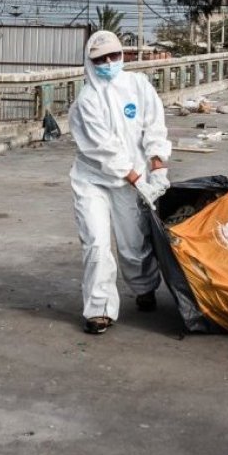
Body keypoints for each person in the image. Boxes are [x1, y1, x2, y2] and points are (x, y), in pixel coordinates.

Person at [68, 30, 171, 335]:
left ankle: (144, 287)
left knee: (134, 242)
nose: (109, 62)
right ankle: (99, 310)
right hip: (93, 180)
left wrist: (158, 165)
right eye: (101, 59)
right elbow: (104, 149)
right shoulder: (87, 101)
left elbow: (154, 126)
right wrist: (138, 178)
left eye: (114, 55)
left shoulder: (138, 86)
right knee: (96, 243)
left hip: (131, 181)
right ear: (90, 62)